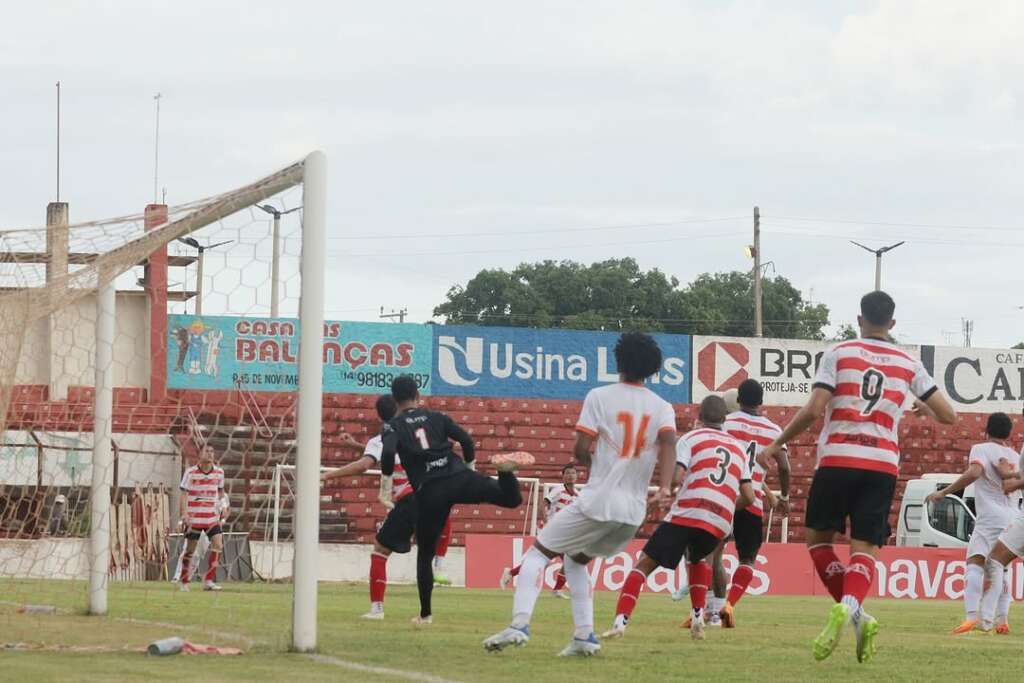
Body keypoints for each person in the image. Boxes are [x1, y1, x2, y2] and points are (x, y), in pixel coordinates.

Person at [760, 290, 957, 663]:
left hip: (837, 458)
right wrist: (921, 410)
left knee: (818, 540)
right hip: (881, 464)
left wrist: (776, 444)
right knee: (865, 548)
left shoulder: (839, 353)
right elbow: (948, 416)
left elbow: (816, 409)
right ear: (893, 323)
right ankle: (854, 608)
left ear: (859, 319)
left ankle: (852, 613)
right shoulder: (908, 363)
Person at [483, 332, 677, 657]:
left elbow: (580, 449)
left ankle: (519, 625)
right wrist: (668, 487)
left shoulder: (600, 396)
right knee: (575, 562)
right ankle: (585, 637)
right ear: (652, 369)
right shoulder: (662, 406)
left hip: (599, 500)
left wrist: (593, 459)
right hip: (631, 513)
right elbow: (669, 444)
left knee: (537, 555)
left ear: (618, 362)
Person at [380, 375, 530, 625]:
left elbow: (387, 453)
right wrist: (469, 468)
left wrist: (385, 487)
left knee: (425, 555)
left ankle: (425, 614)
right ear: (418, 396)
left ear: (395, 400)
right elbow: (467, 441)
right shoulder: (436, 416)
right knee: (511, 499)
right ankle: (505, 471)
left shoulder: (393, 426)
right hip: (459, 476)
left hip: (430, 492)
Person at [604, 395, 754, 642]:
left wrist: (669, 492)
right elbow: (748, 496)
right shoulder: (738, 448)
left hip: (688, 512)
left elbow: (677, 476)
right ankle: (698, 621)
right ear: (725, 419)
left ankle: (620, 623)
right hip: (719, 523)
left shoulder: (691, 438)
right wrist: (723, 506)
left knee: (644, 564)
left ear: (699, 416)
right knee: (697, 560)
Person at [320, 395, 454, 619]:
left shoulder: (381, 438)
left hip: (408, 500)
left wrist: (329, 474)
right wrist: (355, 445)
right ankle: (438, 566)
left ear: (379, 416)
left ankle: (377, 609)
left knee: (380, 551)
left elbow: (365, 465)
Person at [926, 412, 1017, 634]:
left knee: (974, 564)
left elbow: (975, 472)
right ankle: (1002, 620)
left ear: (986, 430)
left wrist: (944, 492)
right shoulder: (1014, 455)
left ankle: (971, 617)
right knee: (1001, 569)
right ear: (1009, 434)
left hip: (989, 518)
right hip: (1013, 517)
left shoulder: (982, 449)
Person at [717, 378, 791, 626]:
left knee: (712, 554)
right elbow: (784, 468)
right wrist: (784, 496)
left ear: (737, 399)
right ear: (761, 402)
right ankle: (729, 604)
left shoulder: (725, 423)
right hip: (752, 502)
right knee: (747, 558)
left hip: (724, 497)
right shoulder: (773, 430)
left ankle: (707, 608)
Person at [500, 463, 580, 598]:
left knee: (562, 561)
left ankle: (511, 573)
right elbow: (543, 505)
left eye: (573, 473)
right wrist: (547, 522)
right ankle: (555, 589)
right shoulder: (558, 490)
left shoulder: (578, 495)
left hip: (563, 533)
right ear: (563, 476)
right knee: (554, 561)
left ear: (577, 476)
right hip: (552, 532)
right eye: (567, 473)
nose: (570, 475)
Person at [177, 444, 230, 592]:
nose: (210, 454)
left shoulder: (219, 473)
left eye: (212, 451)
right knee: (190, 550)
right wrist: (184, 513)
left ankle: (208, 581)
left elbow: (220, 492)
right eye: (207, 451)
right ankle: (184, 581)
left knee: (218, 544)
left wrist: (224, 506)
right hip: (194, 518)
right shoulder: (191, 472)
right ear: (199, 454)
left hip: (211, 518)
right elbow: (183, 494)